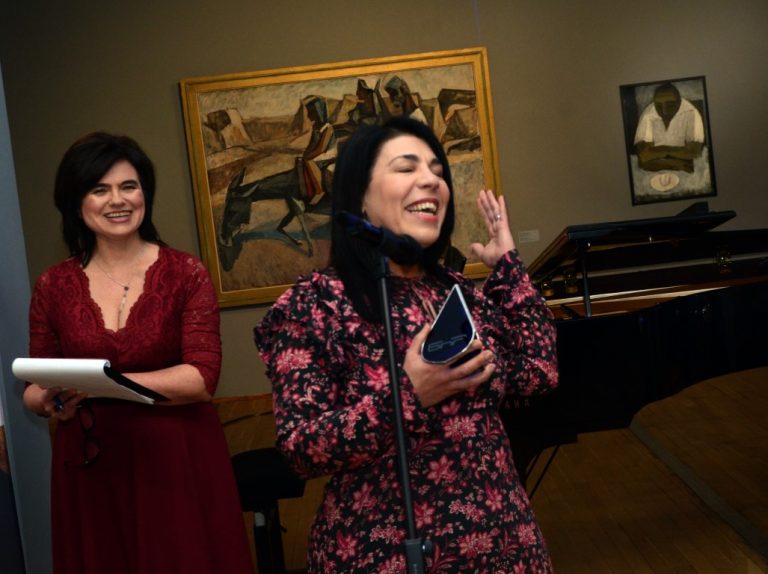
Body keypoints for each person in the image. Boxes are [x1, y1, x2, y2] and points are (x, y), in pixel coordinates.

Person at [254, 116, 559, 572]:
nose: (431, 180)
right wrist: (408, 395)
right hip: (384, 554)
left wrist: (508, 267)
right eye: (407, 167)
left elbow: (538, 372)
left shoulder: (457, 292)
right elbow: (301, 447)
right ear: (360, 195)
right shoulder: (314, 304)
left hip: (504, 546)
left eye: (437, 170)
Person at [22, 132, 253, 574]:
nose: (118, 200)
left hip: (176, 458)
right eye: (100, 189)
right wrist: (46, 400)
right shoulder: (53, 285)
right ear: (75, 201)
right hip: (91, 463)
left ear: (145, 193)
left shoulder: (186, 273)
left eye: (129, 186)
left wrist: (104, 386)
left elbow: (201, 378)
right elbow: (35, 386)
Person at [634, 82, 705, 173]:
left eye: (670, 105)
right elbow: (643, 156)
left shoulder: (692, 112)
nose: (664, 111)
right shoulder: (648, 114)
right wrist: (678, 161)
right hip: (660, 171)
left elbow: (694, 153)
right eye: (659, 106)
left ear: (679, 102)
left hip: (664, 168)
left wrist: (659, 152)